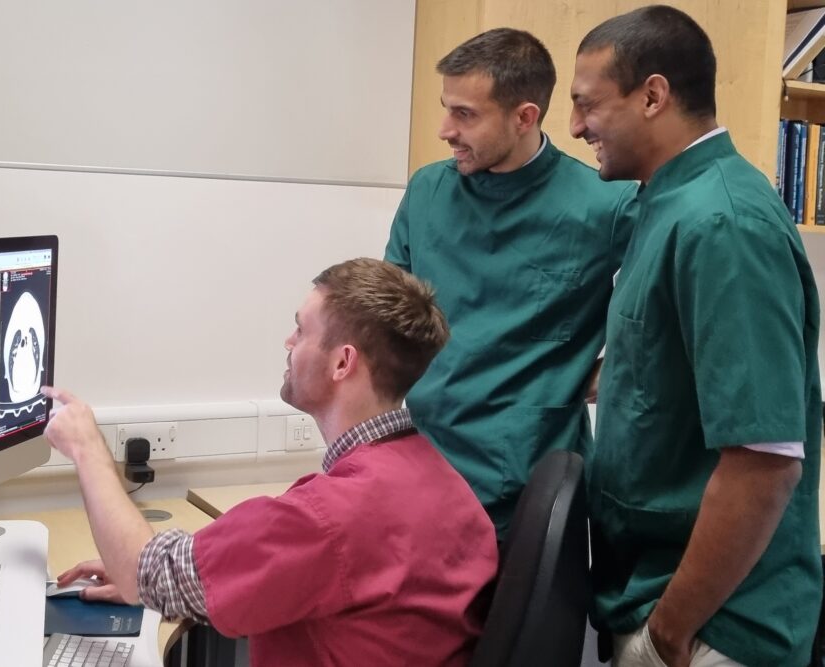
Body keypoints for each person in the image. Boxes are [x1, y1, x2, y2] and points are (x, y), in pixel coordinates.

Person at [43, 258, 498, 666]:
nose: (288, 341)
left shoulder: (330, 517)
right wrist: (172, 581)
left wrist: (88, 449)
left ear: (342, 363)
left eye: (301, 330)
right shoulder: (444, 483)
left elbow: (149, 572)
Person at [570, 6, 822, 666]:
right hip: (654, 593)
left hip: (713, 624)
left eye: (587, 105)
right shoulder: (668, 202)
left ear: (653, 95)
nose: (573, 127)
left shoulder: (724, 223)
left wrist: (670, 631)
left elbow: (763, 463)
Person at [385, 28, 636, 538]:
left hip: (530, 492)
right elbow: (383, 318)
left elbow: (671, 307)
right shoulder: (428, 190)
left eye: (465, 114)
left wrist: (622, 368)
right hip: (420, 470)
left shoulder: (607, 207)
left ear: (525, 116)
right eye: (446, 108)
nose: (445, 130)